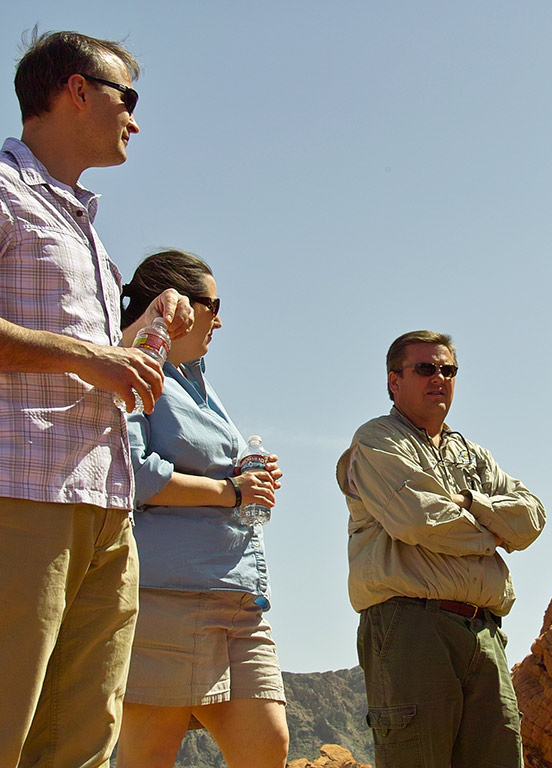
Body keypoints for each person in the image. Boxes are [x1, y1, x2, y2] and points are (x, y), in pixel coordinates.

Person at [0, 30, 193, 767]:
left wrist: (145, 328)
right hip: (24, 494)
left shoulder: (83, 226)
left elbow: (100, 363)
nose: (134, 121)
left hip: (106, 502)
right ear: (76, 90)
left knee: (80, 740)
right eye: (127, 97)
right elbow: (87, 360)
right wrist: (96, 357)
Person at [113, 250, 289, 768]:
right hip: (171, 595)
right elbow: (135, 473)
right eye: (214, 305)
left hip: (239, 594)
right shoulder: (136, 367)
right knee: (150, 755)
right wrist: (232, 491)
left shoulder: (201, 383)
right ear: (178, 304)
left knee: (269, 744)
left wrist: (249, 478)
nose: (220, 319)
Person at [340, 329, 546, 768]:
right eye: (425, 368)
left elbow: (531, 519)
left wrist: (471, 503)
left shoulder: (473, 455)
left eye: (448, 370)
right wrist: (494, 533)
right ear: (394, 380)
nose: (440, 378)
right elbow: (420, 520)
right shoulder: (377, 440)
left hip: (485, 631)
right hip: (412, 626)